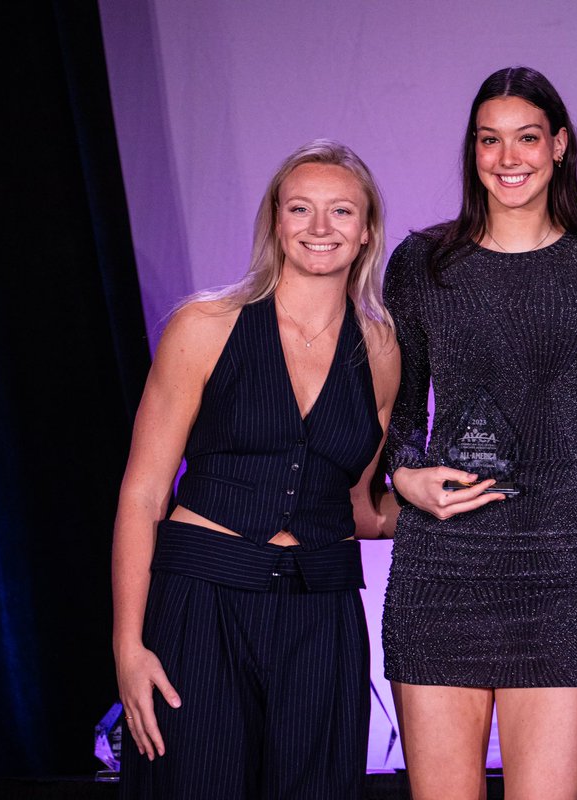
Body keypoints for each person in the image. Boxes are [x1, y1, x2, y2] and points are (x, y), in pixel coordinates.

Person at [382, 66, 577, 799]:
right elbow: (398, 415)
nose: (508, 158)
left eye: (526, 138)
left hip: (560, 570)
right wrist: (403, 476)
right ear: (473, 152)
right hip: (443, 565)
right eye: (488, 140)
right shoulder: (423, 263)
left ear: (559, 145)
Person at [112, 140, 400, 799]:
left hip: (322, 614)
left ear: (366, 232)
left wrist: (432, 505)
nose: (320, 228)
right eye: (301, 209)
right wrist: (128, 647)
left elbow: (357, 505)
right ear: (276, 221)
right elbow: (144, 493)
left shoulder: (381, 349)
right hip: (203, 603)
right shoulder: (204, 326)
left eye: (341, 212)